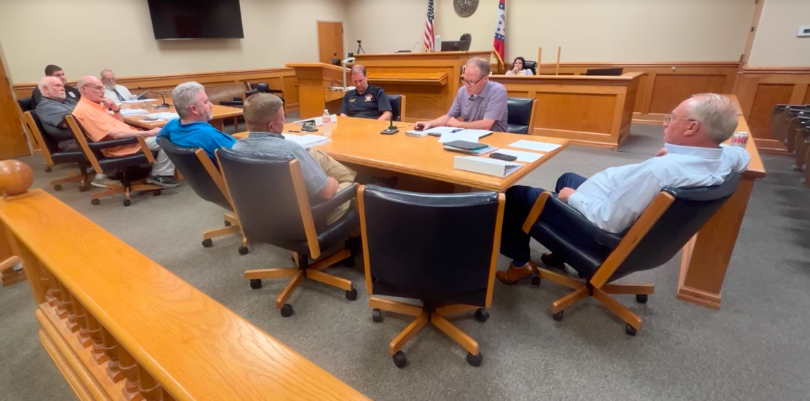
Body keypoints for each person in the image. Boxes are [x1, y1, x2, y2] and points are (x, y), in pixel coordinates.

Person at [496, 93, 751, 284]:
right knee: (567, 178)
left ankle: (520, 263)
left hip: (600, 232)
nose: (665, 123)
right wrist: (675, 153)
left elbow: (609, 221)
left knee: (516, 195)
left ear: (692, 127)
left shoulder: (659, 171)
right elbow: (743, 157)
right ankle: (559, 254)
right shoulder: (722, 157)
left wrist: (572, 198)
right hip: (619, 209)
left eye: (672, 118)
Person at [232, 93, 357, 224]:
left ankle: (356, 176)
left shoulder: (236, 148)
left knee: (315, 154)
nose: (284, 122)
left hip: (262, 216)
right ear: (271, 126)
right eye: (282, 118)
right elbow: (327, 193)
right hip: (305, 217)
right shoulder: (290, 151)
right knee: (355, 187)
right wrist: (332, 181)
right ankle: (362, 184)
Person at [72, 76, 179, 189]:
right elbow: (115, 134)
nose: (102, 91)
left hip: (126, 140)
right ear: (83, 89)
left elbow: (120, 124)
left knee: (165, 133)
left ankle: (162, 171)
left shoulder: (92, 106)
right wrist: (148, 133)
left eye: (102, 88)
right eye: (98, 88)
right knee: (170, 139)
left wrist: (115, 107)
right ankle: (159, 175)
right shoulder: (85, 110)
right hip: (122, 144)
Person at [414, 57, 508, 132]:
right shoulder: (462, 91)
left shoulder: (497, 91)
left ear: (485, 79)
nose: (467, 86)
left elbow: (486, 125)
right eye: (465, 80)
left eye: (471, 82)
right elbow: (449, 117)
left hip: (495, 139)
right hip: (469, 137)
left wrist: (458, 124)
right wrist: (430, 123)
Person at [158, 82, 236, 162]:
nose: (211, 105)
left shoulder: (171, 125)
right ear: (194, 109)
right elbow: (240, 158)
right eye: (206, 102)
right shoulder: (211, 137)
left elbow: (159, 140)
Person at [34, 76, 78, 151]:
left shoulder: (67, 101)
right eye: (57, 85)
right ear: (45, 89)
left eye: (62, 86)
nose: (63, 88)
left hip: (83, 136)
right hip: (71, 141)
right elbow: (73, 123)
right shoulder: (46, 107)